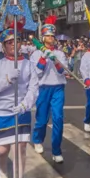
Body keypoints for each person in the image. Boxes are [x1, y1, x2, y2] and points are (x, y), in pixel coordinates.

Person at [0, 28, 39, 178]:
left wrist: (25, 104)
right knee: (2, 150)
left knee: (21, 148)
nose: (13, 45)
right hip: (0, 111)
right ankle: (2, 170)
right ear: (3, 46)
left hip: (21, 110)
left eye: (16, 41)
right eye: (9, 42)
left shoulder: (29, 64)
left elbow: (34, 88)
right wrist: (8, 79)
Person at [30, 15, 68, 163]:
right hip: (43, 88)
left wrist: (55, 60)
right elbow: (37, 72)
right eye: (48, 36)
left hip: (58, 88)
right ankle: (38, 139)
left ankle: (56, 150)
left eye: (52, 36)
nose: (51, 38)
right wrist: (44, 57)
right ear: (43, 37)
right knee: (41, 120)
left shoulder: (60, 53)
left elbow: (61, 71)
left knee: (58, 118)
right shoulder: (36, 54)